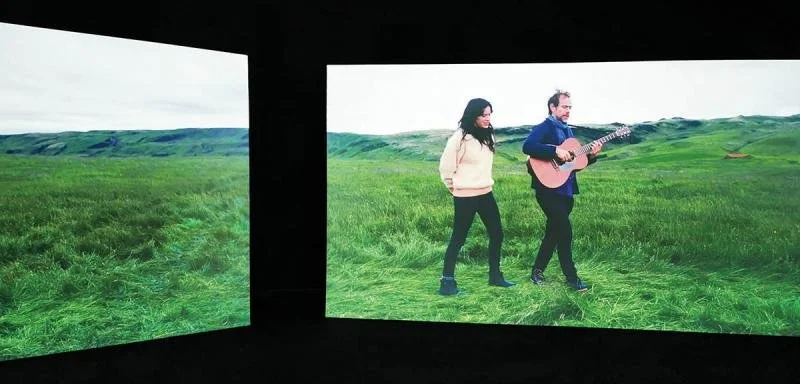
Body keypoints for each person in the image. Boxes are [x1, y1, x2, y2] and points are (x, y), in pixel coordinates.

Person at [522, 90, 602, 292]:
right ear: (553, 107)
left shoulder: (568, 131)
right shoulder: (545, 127)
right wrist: (555, 150)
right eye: (564, 107)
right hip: (547, 191)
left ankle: (537, 271)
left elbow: (572, 165)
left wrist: (591, 156)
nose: (568, 111)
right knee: (565, 231)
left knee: (554, 232)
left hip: (566, 191)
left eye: (570, 107)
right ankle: (572, 278)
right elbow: (528, 146)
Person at [437, 98, 515, 296]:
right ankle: (447, 283)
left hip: (486, 193)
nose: (488, 118)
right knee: (459, 238)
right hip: (465, 196)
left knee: (497, 233)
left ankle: (495, 276)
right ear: (473, 116)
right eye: (483, 115)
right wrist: (457, 188)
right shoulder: (459, 138)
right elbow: (446, 169)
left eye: (489, 114)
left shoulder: (489, 135)